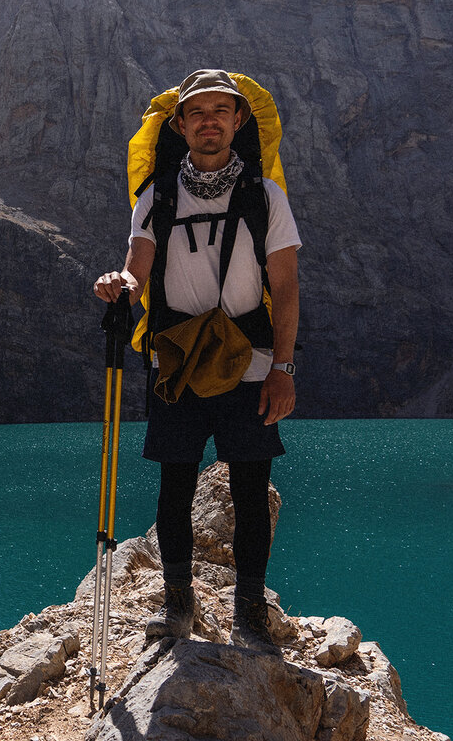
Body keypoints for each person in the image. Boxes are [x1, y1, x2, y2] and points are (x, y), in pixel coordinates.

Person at [93, 69, 301, 654]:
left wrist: (284, 369)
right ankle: (179, 606)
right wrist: (121, 281)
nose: (209, 121)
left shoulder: (266, 196)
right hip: (178, 361)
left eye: (220, 111)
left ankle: (249, 613)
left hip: (252, 361)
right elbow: (138, 262)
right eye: (197, 113)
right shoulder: (156, 196)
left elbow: (285, 287)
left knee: (250, 487)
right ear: (180, 125)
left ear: (239, 120)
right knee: (174, 488)